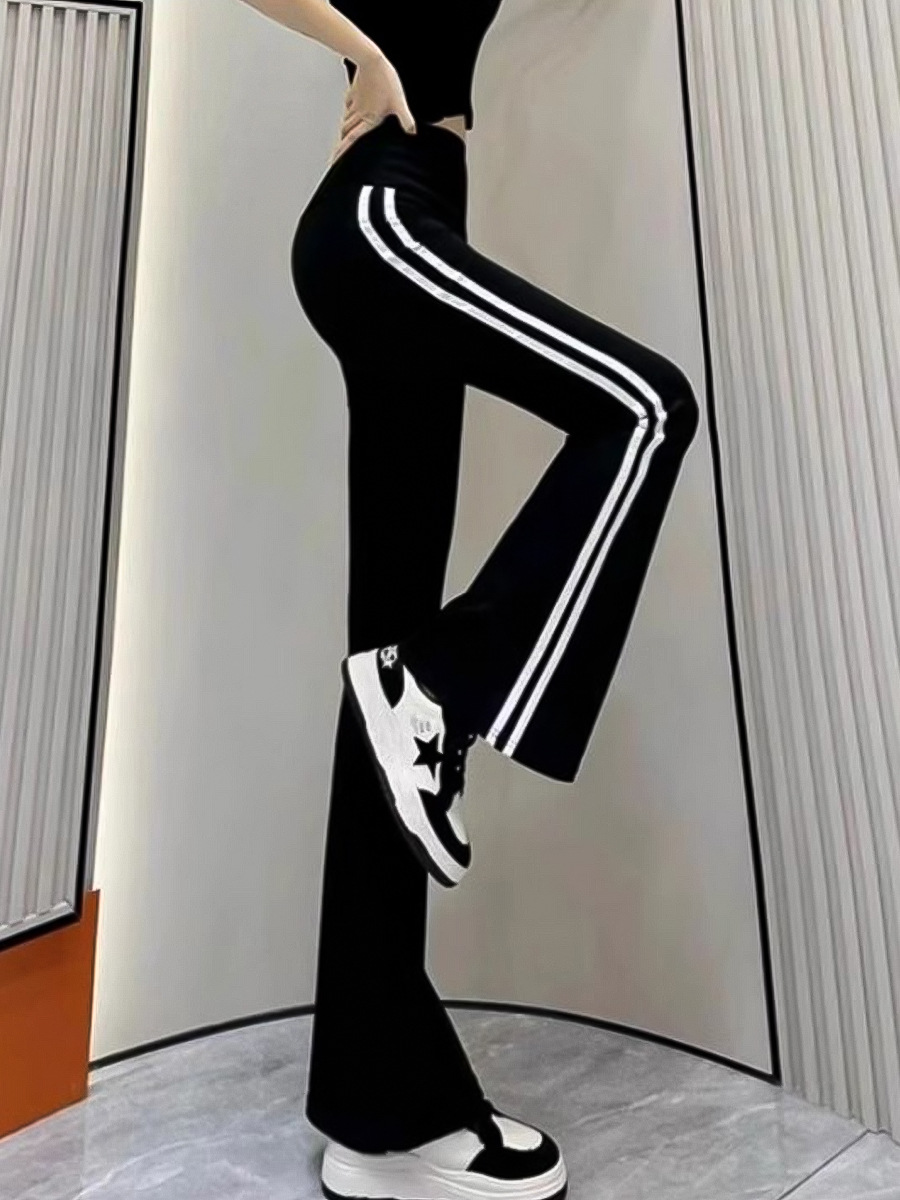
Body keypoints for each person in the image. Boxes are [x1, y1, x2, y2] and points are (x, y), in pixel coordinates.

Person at [241, 2, 701, 1197]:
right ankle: (439, 687)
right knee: (643, 407)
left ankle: (380, 1112)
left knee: (379, 671)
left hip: (419, 218)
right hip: (380, 218)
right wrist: (364, 50)